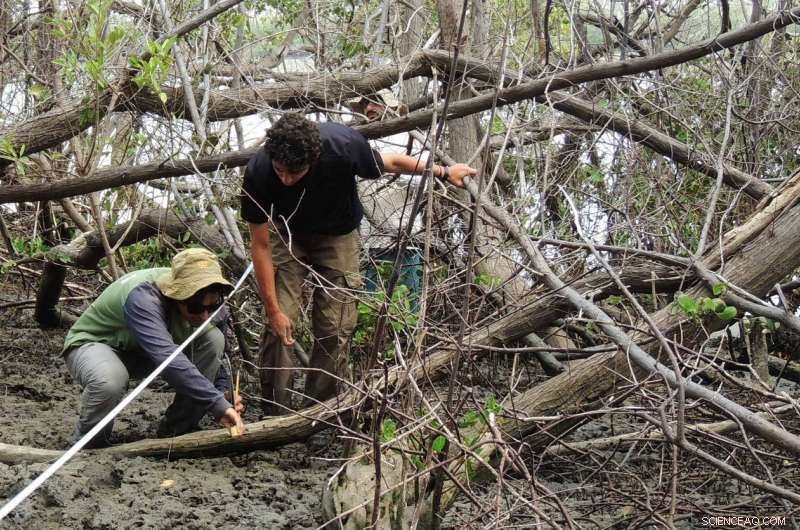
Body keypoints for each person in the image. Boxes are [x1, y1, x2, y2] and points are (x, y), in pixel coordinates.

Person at [240, 112, 476, 415]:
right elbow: (259, 245)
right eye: (280, 171)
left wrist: (443, 171)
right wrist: (272, 309)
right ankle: (275, 411)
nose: (285, 179)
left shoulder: (343, 146)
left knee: (336, 325)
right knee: (280, 322)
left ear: (313, 159)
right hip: (286, 233)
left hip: (338, 234)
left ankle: (318, 413)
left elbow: (390, 162)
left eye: (293, 173)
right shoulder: (259, 171)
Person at [62, 248, 246, 448]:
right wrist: (217, 404)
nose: (204, 316)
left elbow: (216, 361)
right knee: (110, 380)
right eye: (195, 308)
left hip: (146, 353)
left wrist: (223, 394)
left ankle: (175, 433)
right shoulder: (144, 298)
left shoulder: (212, 303)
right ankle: (89, 445)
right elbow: (167, 358)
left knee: (214, 338)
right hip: (96, 346)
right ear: (178, 294)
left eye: (211, 307)